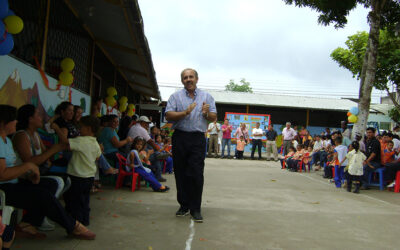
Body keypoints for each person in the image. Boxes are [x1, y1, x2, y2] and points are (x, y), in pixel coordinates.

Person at [0, 105, 96, 240]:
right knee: (42, 194)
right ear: (4, 123)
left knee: (49, 185)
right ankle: (73, 226)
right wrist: (28, 166)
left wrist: (27, 172)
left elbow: (14, 167)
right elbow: (3, 174)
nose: (16, 122)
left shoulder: (6, 141)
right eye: (13, 120)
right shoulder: (17, 137)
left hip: (15, 181)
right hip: (5, 188)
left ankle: (27, 223)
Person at [165, 68, 217, 223]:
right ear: (182, 81)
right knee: (180, 172)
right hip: (180, 137)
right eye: (185, 77)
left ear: (197, 79)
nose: (189, 79)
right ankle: (183, 205)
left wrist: (206, 113)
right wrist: (184, 113)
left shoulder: (207, 96)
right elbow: (168, 114)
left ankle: (196, 208)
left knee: (196, 173)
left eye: (191, 77)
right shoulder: (175, 96)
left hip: (197, 139)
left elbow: (214, 116)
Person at [63, 116, 102, 226]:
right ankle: (85, 220)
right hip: (89, 177)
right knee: (84, 200)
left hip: (76, 176)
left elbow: (66, 143)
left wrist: (56, 128)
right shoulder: (95, 143)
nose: (79, 129)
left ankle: (76, 224)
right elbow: (98, 157)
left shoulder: (81, 140)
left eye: (81, 127)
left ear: (89, 129)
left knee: (73, 201)